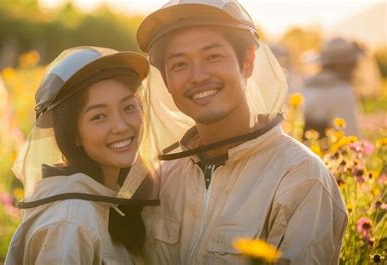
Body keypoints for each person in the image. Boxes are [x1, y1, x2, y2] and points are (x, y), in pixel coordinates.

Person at [136, 1, 347, 264]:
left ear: (247, 61)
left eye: (213, 56)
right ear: (166, 80)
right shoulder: (160, 179)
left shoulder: (299, 177)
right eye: (179, 64)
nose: (198, 76)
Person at [5, 47, 159, 264]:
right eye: (99, 116)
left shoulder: (109, 198)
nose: (121, 126)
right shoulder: (70, 222)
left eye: (129, 107)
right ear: (73, 133)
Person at [302, 37, 364, 137]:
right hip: (327, 150)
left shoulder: (309, 85)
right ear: (346, 64)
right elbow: (351, 135)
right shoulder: (342, 92)